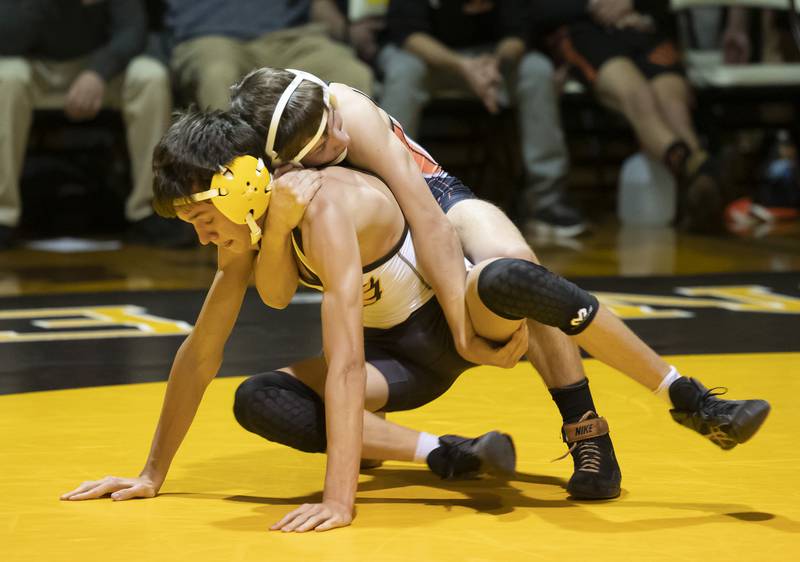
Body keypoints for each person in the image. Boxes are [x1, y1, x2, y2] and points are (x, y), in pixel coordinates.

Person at [228, 67, 771, 494]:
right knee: (263, 398)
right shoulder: (285, 193)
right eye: (325, 143)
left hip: (432, 207)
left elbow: (430, 219)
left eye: (332, 118)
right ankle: (436, 449)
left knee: (517, 264)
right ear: (289, 165)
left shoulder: (347, 110)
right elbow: (272, 296)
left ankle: (623, 419)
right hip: (390, 318)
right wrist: (276, 226)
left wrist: (465, 332)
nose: (339, 133)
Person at [59, 109, 539, 532]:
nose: (204, 238)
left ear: (239, 186)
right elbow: (200, 352)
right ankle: (447, 451)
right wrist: (151, 474)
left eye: (204, 219)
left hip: (447, 324)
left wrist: (338, 500)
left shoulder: (318, 204)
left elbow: (345, 361)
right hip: (392, 360)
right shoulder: (252, 225)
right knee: (259, 400)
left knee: (525, 281)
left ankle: (583, 427)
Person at [377, 0, 586, 236]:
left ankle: (546, 200)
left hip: (490, 60)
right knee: (403, 72)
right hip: (425, 56)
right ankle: (390, 194)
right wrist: (464, 67)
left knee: (537, 70)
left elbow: (518, 33)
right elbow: (409, 35)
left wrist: (495, 63)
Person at [0, 0, 190, 249]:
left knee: (150, 77)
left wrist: (98, 71)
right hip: (35, 64)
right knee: (5, 77)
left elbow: (133, 33)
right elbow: (7, 39)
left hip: (101, 66)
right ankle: (3, 215)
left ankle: (150, 209)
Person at [529, 0, 725, 233]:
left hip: (640, 27)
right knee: (642, 98)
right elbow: (529, 9)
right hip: (584, 30)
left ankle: (692, 169)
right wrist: (590, 6)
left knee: (671, 102)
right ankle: (700, 166)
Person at [165, 0, 374, 111]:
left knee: (350, 74)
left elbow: (317, 4)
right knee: (218, 74)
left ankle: (344, 181)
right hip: (211, 37)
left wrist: (348, 31)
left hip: (288, 37)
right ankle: (236, 178)